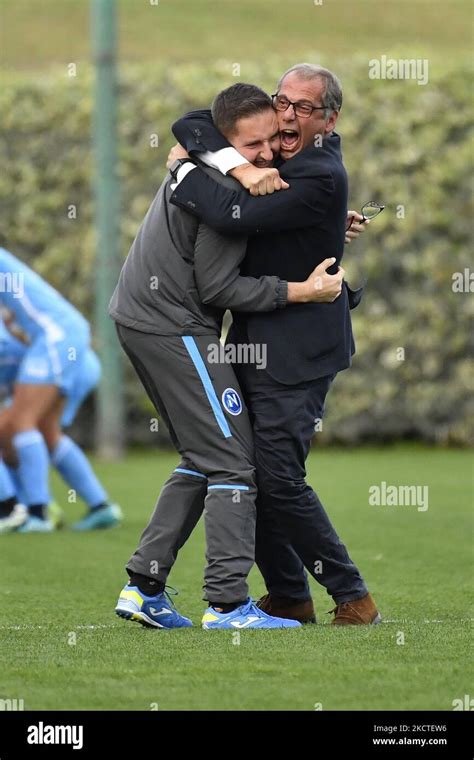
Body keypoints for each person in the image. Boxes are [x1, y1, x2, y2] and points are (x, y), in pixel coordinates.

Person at [109, 83, 344, 630]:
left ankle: (144, 588)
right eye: (253, 144)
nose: (266, 152)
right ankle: (228, 605)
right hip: (176, 328)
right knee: (234, 462)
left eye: (271, 139)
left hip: (145, 318)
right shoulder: (221, 187)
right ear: (226, 141)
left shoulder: (202, 163)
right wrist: (299, 292)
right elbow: (218, 288)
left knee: (202, 455)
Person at [168, 63, 380, 625]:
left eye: (302, 108)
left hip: (300, 351)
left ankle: (353, 596)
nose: (286, 115)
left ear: (329, 121)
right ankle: (288, 594)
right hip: (251, 340)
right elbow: (191, 121)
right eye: (281, 100)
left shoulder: (320, 176)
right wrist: (234, 159)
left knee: (279, 477)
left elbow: (232, 216)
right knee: (243, 468)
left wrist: (185, 177)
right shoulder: (274, 154)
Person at [0, 248, 122, 533]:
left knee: (19, 425)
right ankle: (100, 506)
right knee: (45, 430)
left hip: (56, 338)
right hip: (75, 350)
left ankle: (34, 512)